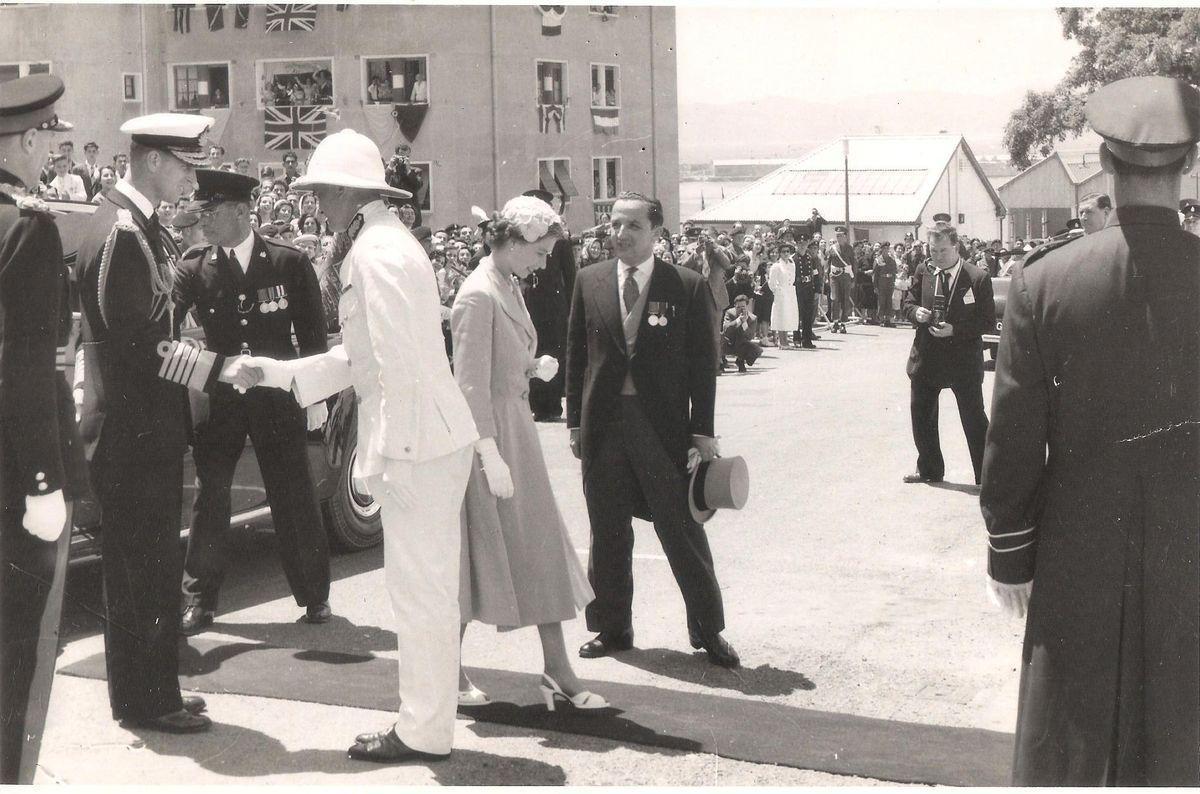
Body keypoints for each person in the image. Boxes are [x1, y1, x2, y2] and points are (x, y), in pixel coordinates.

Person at [981, 75, 1200, 787]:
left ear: (1104, 164)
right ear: (1191, 161)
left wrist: (1010, 554)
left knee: (1070, 753)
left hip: (1078, 550)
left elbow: (1013, 439)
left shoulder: (1044, 281)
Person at [248, 129, 479, 763]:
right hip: (423, 439)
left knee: (421, 593)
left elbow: (399, 360)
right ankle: (427, 722)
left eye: (323, 192)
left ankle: (424, 730)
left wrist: (390, 456)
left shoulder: (376, 254)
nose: (317, 205)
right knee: (422, 591)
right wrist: (277, 374)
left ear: (350, 193)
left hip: (417, 444)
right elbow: (362, 356)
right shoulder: (381, 245)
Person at [75, 113, 262, 734]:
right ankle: (147, 701)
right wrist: (219, 370)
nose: (192, 181)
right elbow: (143, 346)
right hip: (132, 431)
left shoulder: (138, 226)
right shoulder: (123, 233)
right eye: (185, 167)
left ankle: (154, 689)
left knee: (151, 569)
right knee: (141, 572)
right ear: (153, 160)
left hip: (144, 429)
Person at [566, 192, 739, 669]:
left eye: (633, 226)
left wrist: (701, 432)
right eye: (614, 224)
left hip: (661, 429)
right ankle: (611, 627)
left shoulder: (685, 285)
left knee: (681, 528)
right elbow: (577, 356)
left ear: (657, 233)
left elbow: (704, 366)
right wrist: (576, 421)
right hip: (604, 427)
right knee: (607, 530)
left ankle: (708, 630)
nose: (620, 234)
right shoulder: (589, 280)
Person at [451, 195, 608, 712]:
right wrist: (488, 454)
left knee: (539, 546)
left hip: (515, 430)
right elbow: (468, 386)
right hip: (489, 440)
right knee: (477, 553)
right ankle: (445, 669)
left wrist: (528, 368)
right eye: (540, 252)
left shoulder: (507, 283)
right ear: (514, 241)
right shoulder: (477, 295)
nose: (543, 263)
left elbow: (498, 365)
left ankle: (556, 669)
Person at [174, 169, 332, 635]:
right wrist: (210, 366)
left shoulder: (288, 262)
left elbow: (313, 336)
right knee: (211, 496)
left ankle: (315, 595)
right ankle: (198, 601)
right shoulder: (194, 267)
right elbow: (165, 330)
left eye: (212, 212)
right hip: (221, 398)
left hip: (275, 397)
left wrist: (315, 396)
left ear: (242, 212)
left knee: (293, 494)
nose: (203, 221)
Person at [0, 74, 87, 784]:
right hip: (11, 477)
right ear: (26, 142)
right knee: (12, 657)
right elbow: (24, 364)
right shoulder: (26, 227)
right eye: (47, 143)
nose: (50, 157)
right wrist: (42, 481)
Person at [900, 221, 995, 486]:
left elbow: (987, 321)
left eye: (943, 250)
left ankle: (987, 475)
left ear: (956, 247)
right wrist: (915, 312)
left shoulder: (977, 277)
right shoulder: (923, 271)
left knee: (974, 418)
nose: (938, 256)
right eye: (933, 250)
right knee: (922, 415)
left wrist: (956, 330)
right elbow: (908, 302)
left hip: (962, 361)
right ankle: (929, 469)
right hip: (926, 358)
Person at [520, 188, 577, 422]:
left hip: (553, 303)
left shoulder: (559, 238)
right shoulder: (523, 235)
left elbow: (570, 274)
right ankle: (534, 403)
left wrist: (572, 308)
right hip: (529, 300)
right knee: (531, 348)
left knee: (553, 350)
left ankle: (551, 405)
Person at [767, 241, 798, 348]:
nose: (786, 254)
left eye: (787, 251)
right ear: (780, 253)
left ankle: (786, 341)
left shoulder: (792, 265)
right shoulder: (776, 266)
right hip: (781, 293)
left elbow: (792, 279)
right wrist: (777, 291)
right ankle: (782, 341)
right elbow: (771, 282)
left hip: (790, 292)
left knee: (788, 315)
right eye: (783, 252)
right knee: (781, 315)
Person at [791, 239, 820, 348]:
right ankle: (796, 338)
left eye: (804, 244)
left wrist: (817, 289)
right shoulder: (793, 259)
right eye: (800, 244)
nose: (802, 246)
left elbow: (816, 275)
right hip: (797, 289)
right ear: (796, 245)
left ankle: (807, 340)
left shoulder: (810, 258)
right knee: (797, 314)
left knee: (808, 315)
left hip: (808, 288)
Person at [721, 294, 762, 372]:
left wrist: (744, 323)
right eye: (738, 307)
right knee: (719, 339)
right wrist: (738, 320)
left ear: (747, 306)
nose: (740, 309)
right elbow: (726, 329)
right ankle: (721, 362)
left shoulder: (753, 318)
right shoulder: (729, 313)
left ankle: (740, 360)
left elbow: (750, 336)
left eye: (743, 307)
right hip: (728, 341)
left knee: (756, 350)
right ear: (734, 306)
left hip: (741, 343)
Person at [826, 225, 855, 333]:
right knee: (834, 299)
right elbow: (828, 264)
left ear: (845, 236)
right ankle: (835, 322)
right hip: (834, 277)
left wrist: (853, 279)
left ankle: (843, 323)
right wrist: (827, 277)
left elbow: (854, 264)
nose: (838, 238)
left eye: (840, 235)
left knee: (845, 300)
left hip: (846, 277)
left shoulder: (850, 249)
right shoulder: (832, 248)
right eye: (837, 236)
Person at [874, 241, 898, 327]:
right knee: (882, 301)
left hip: (890, 281)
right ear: (881, 249)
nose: (886, 250)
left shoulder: (891, 260)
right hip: (881, 281)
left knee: (889, 301)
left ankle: (888, 319)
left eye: (887, 248)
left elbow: (894, 272)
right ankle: (881, 319)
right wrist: (875, 286)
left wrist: (893, 282)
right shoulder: (878, 260)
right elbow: (875, 274)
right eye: (884, 248)